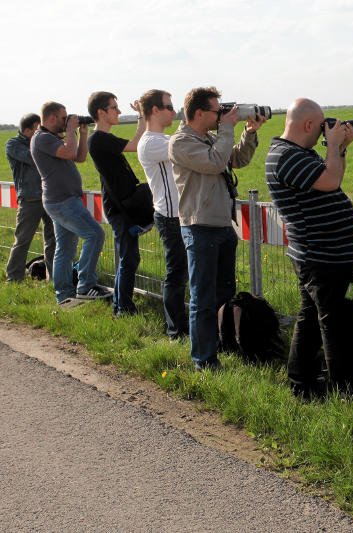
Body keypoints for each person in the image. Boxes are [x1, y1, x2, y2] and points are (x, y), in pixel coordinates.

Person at [265, 98, 353, 398]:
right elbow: (331, 180)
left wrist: (340, 148)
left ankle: (301, 382)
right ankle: (346, 391)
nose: (324, 131)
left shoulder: (297, 154)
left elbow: (332, 177)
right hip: (323, 257)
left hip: (326, 255)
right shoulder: (286, 156)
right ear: (308, 124)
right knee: (340, 324)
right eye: (321, 127)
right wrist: (332, 145)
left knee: (311, 320)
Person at [169, 87, 266, 371]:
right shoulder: (180, 142)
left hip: (222, 225)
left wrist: (248, 132)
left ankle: (222, 344)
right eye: (216, 111)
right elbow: (214, 163)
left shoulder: (209, 138)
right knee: (203, 298)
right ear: (199, 113)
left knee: (224, 293)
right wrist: (226, 128)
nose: (220, 115)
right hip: (200, 227)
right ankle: (204, 359)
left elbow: (236, 159)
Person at [31, 101, 110, 308]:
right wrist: (70, 131)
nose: (67, 121)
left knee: (65, 249)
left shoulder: (52, 139)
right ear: (51, 118)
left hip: (63, 200)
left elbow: (80, 157)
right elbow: (69, 153)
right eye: (64, 118)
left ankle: (65, 296)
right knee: (95, 235)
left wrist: (82, 134)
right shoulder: (42, 138)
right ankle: (85, 286)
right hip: (62, 201)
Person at [87, 91, 146, 316]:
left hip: (120, 206)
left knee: (129, 258)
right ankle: (123, 308)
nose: (119, 112)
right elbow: (135, 145)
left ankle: (120, 305)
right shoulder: (99, 139)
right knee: (128, 258)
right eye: (114, 107)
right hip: (119, 208)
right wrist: (142, 116)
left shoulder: (101, 139)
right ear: (101, 112)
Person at [136, 89, 188, 339]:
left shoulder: (162, 139)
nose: (173, 111)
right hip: (170, 217)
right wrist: (191, 122)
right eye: (169, 106)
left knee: (183, 273)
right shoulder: (151, 143)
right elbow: (183, 144)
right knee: (176, 274)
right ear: (155, 110)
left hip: (178, 215)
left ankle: (182, 324)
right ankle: (175, 330)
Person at [5, 113, 55, 282]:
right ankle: (13, 277)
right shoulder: (13, 144)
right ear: (27, 131)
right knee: (23, 240)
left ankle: (52, 277)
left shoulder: (40, 142)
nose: (41, 131)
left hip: (49, 197)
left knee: (53, 240)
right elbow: (32, 157)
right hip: (30, 199)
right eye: (37, 128)